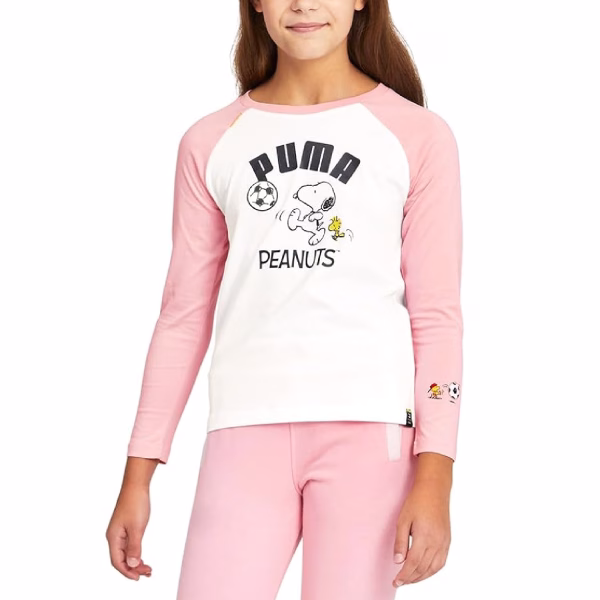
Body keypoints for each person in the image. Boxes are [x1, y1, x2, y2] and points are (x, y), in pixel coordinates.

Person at [105, 1, 464, 598]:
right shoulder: (211, 141)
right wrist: (138, 474)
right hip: (243, 432)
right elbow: (182, 317)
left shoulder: (417, 135)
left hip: (369, 435)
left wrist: (436, 473)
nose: (303, 3)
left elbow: (438, 317)